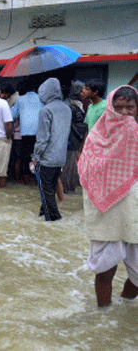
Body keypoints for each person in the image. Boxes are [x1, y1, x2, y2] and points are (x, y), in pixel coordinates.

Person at [78, 86, 138, 307]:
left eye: (130, 108)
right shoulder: (97, 137)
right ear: (110, 109)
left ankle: (124, 305)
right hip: (106, 211)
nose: (124, 113)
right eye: (118, 107)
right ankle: (103, 318)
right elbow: (86, 170)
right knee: (105, 270)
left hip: (134, 210)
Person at [32, 78, 71, 221]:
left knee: (46, 193)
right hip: (61, 158)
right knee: (49, 191)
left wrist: (35, 158)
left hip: (47, 159)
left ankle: (54, 221)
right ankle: (43, 216)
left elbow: (42, 139)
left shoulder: (46, 110)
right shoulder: (67, 108)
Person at [11, 80, 43, 184]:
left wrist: (12, 106)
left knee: (26, 157)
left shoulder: (20, 100)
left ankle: (26, 181)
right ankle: (38, 180)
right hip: (39, 132)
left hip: (25, 133)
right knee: (38, 156)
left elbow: (12, 116)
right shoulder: (41, 98)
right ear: (36, 89)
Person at [61, 81, 87, 194]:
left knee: (73, 167)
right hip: (70, 142)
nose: (84, 93)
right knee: (69, 168)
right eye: (82, 90)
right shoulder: (69, 105)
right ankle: (67, 191)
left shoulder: (77, 104)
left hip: (76, 140)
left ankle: (69, 190)